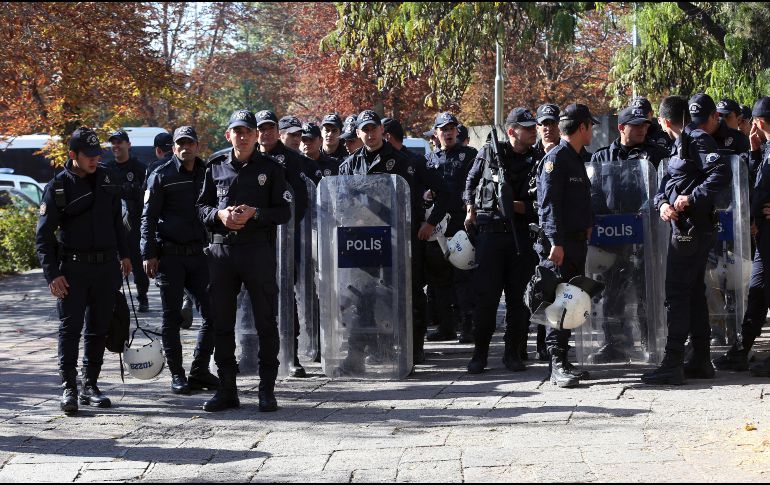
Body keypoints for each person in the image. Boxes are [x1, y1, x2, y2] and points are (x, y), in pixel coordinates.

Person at [197, 109, 292, 412]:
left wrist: (256, 214)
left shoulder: (271, 168)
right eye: (237, 131)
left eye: (247, 131)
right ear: (229, 135)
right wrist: (219, 215)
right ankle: (227, 389)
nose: (242, 136)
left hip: (256, 251)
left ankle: (267, 389)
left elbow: (284, 212)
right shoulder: (215, 167)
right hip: (222, 253)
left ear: (255, 136)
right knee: (221, 322)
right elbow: (200, 207)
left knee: (265, 321)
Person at [339, 110, 451, 365]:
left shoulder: (408, 161)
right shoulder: (349, 165)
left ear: (382, 131)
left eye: (373, 128)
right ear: (358, 133)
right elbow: (340, 202)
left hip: (400, 240)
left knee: (407, 295)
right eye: (364, 130)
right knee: (362, 296)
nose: (369, 134)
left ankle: (413, 349)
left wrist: (429, 223)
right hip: (364, 242)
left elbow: (445, 192)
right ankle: (365, 351)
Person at [36, 127, 132, 415]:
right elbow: (43, 236)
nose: (94, 160)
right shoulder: (58, 188)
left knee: (99, 329)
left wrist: (125, 255)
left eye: (97, 155)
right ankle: (69, 387)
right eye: (88, 156)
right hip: (73, 269)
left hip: (105, 267)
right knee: (70, 329)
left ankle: (91, 384)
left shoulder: (107, 179)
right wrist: (52, 274)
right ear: (73, 155)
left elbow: (119, 221)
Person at [643, 93, 732, 385]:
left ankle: (672, 362)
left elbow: (721, 173)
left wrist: (691, 198)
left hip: (693, 229)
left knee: (677, 292)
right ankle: (700, 359)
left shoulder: (697, 139)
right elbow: (666, 185)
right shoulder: (678, 144)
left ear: (665, 120)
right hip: (682, 227)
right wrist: (663, 204)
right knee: (692, 292)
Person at [585, 107, 668, 363]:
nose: (642, 128)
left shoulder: (657, 155)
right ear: (621, 128)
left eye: (645, 124)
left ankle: (650, 343)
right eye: (635, 125)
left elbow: (661, 189)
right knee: (613, 292)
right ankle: (614, 344)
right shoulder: (601, 158)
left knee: (647, 291)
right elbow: (594, 191)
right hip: (612, 237)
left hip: (646, 235)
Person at [141, 126, 219, 395]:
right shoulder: (161, 175)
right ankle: (177, 374)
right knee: (171, 318)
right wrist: (148, 253)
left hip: (199, 255)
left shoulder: (207, 172)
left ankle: (199, 370)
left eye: (190, 143)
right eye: (180, 144)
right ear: (173, 148)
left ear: (197, 146)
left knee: (213, 314)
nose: (185, 148)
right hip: (170, 255)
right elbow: (148, 217)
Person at [463, 108, 540, 373]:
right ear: (511, 131)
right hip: (491, 235)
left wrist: (516, 207)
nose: (533, 131)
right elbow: (471, 182)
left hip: (521, 236)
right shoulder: (489, 152)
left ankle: (512, 353)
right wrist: (470, 206)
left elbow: (542, 202)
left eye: (534, 127)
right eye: (527, 127)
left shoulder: (538, 158)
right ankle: (479, 354)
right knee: (486, 298)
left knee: (519, 300)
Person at [535, 103, 597, 387]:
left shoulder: (574, 157)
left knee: (570, 300)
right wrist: (555, 242)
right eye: (591, 126)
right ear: (582, 127)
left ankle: (564, 359)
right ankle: (556, 364)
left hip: (576, 243)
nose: (593, 131)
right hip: (561, 245)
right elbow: (549, 205)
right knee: (559, 302)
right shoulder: (556, 159)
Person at [256, 110, 320, 378]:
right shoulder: (247, 157)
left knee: (286, 296)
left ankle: (291, 355)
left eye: (271, 128)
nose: (266, 133)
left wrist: (288, 227)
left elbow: (300, 199)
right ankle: (250, 352)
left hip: (285, 237)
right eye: (262, 128)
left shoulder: (293, 160)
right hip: (252, 238)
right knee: (251, 297)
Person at [714, 96, 770, 376]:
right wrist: (756, 151)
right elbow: (759, 184)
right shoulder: (766, 148)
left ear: (757, 122)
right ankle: (741, 350)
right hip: (764, 235)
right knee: (758, 292)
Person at [418, 113, 478, 344]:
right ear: (436, 133)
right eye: (443, 129)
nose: (448, 132)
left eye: (452, 128)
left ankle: (468, 326)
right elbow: (422, 189)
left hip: (461, 226)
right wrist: (425, 194)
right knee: (439, 281)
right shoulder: (430, 159)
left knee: (464, 279)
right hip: (437, 229)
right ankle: (446, 326)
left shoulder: (469, 156)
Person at [102, 130, 150, 312]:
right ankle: (113, 296)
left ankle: (142, 297)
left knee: (137, 262)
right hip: (114, 226)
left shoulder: (139, 168)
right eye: (113, 143)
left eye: (119, 142)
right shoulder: (106, 169)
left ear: (128, 145)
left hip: (135, 225)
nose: (116, 146)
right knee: (113, 263)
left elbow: (147, 197)